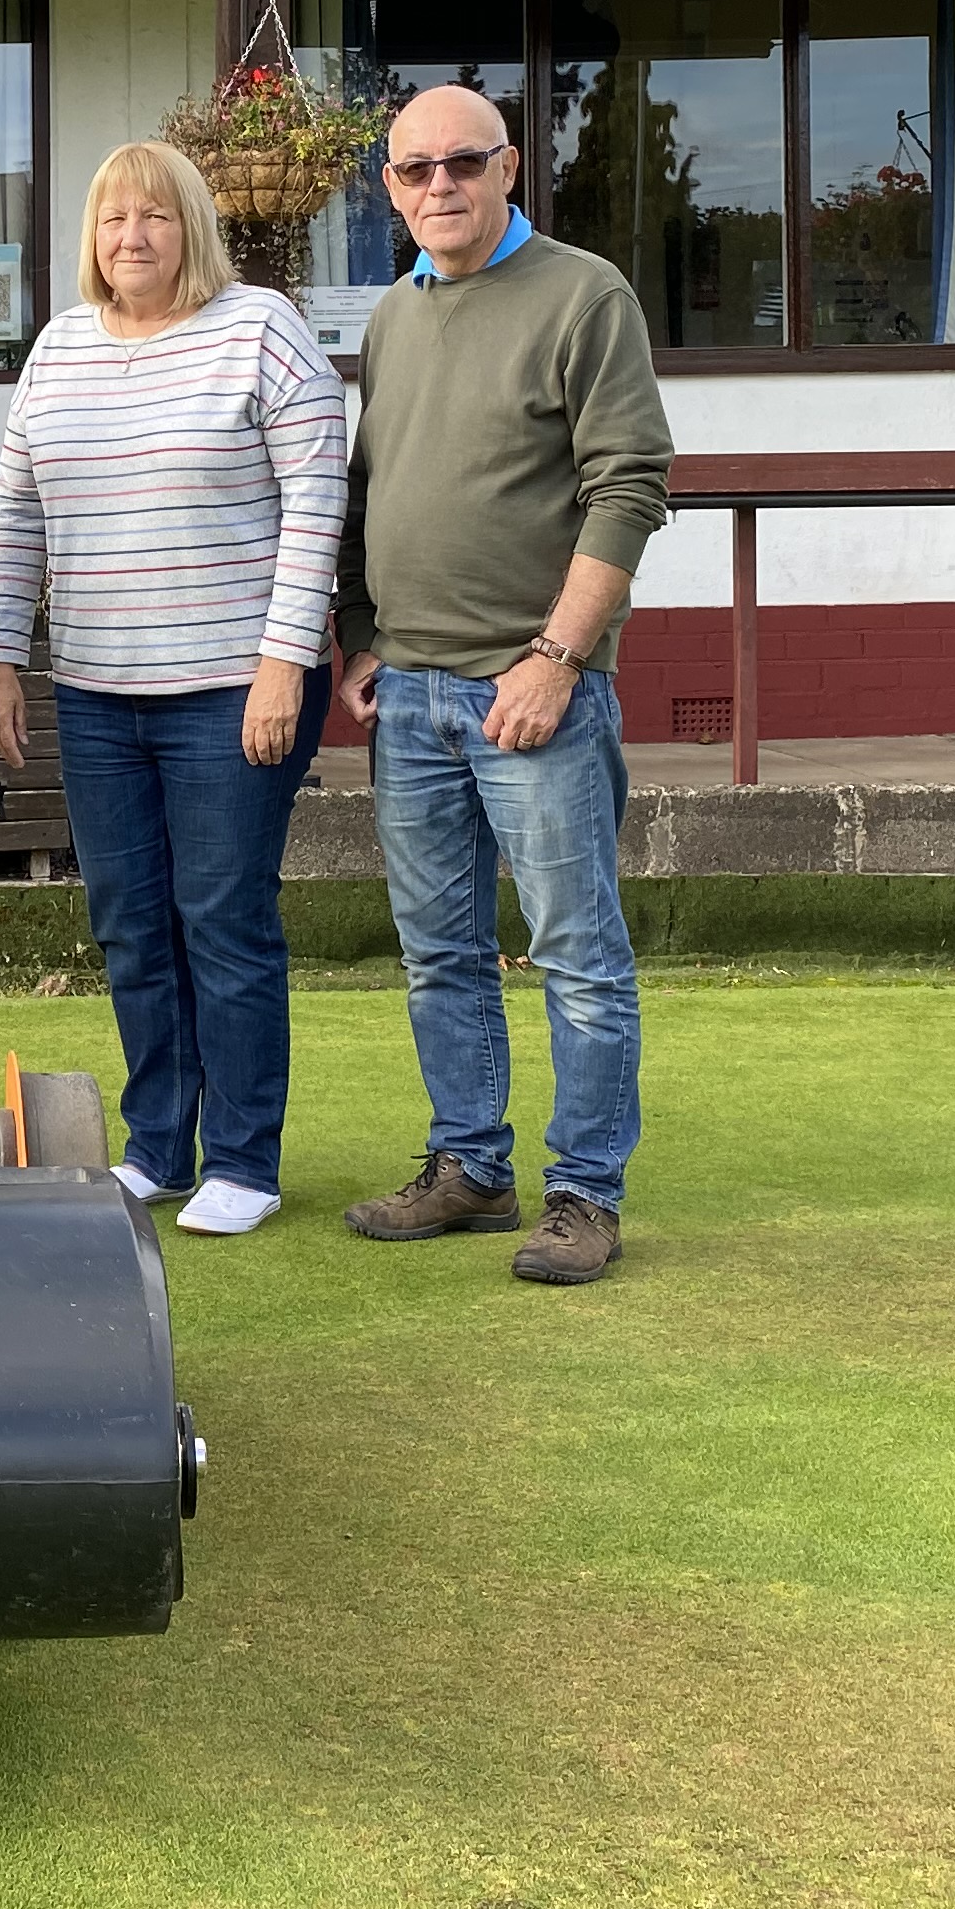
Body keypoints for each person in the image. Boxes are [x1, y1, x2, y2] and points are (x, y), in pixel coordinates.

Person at [0, 141, 344, 1237]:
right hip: (96, 690)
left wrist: (284, 662)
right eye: (111, 220)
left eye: (154, 217)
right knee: (132, 923)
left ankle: (243, 1159)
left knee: (222, 918)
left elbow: (317, 506)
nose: (131, 237)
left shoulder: (259, 330)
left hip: (235, 686)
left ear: (193, 227)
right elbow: (21, 515)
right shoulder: (59, 349)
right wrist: (0, 654)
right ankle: (156, 1148)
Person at [336, 84, 672, 1285]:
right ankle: (470, 1168)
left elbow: (628, 487)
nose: (440, 187)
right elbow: (370, 493)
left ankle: (585, 1194)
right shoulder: (393, 318)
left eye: (463, 164)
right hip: (412, 694)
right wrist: (363, 634)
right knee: (440, 952)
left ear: (509, 166)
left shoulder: (585, 296)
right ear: (388, 185)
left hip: (533, 696)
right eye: (415, 169)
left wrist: (556, 657)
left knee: (576, 952)